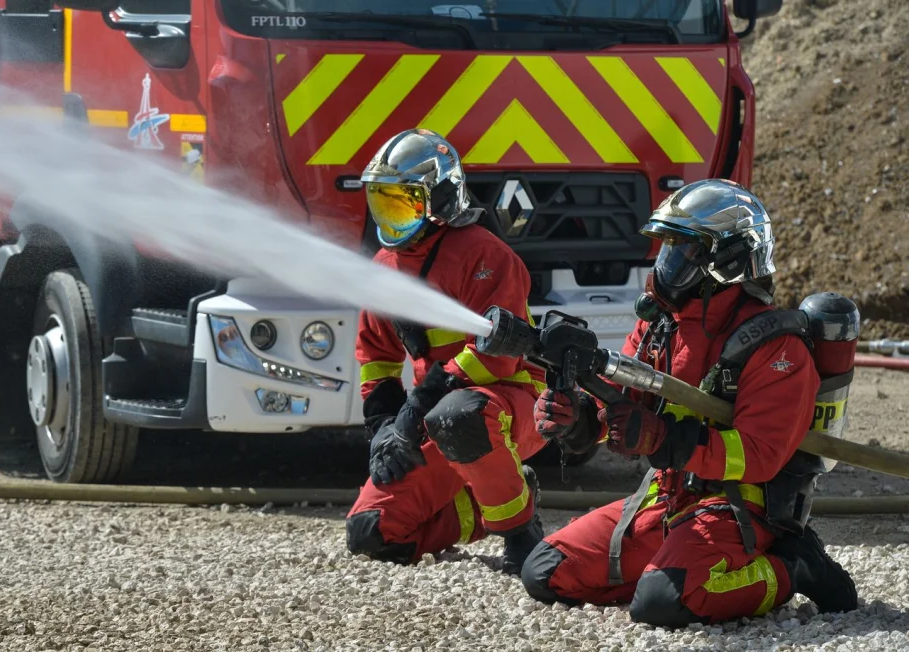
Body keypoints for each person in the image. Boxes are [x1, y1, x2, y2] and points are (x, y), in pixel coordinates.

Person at [520, 179, 859, 626]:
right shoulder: (663, 325)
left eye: (683, 250)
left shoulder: (778, 347)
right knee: (546, 572)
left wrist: (662, 439)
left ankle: (796, 566)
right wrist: (578, 418)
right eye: (668, 249)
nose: (668, 263)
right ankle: (673, 565)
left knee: (663, 603)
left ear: (728, 261)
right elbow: (620, 403)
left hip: (740, 504)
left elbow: (759, 454)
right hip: (667, 495)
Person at [344, 128, 550, 575]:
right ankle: (481, 503)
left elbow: (493, 357)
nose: (389, 216)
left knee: (460, 415)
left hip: (512, 402)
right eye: (382, 202)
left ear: (440, 199)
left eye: (401, 203)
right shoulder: (384, 268)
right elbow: (376, 355)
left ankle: (520, 533)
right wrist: (383, 425)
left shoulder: (485, 256)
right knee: (370, 534)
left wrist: (414, 411)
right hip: (436, 414)